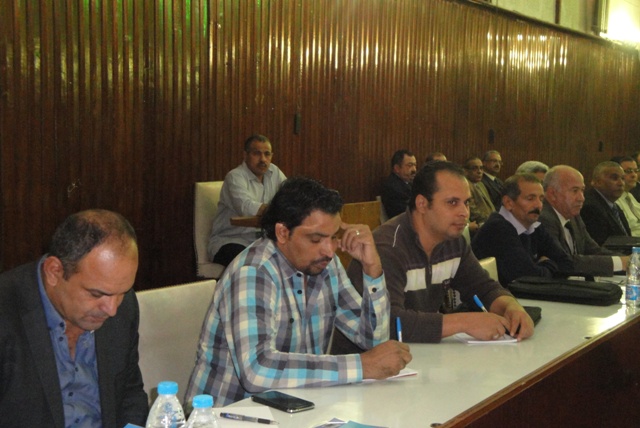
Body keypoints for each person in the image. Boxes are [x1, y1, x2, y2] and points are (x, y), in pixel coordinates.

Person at [185, 177, 412, 407]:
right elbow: (257, 371)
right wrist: (362, 365)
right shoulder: (253, 273)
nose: (329, 251)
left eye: (334, 237)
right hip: (226, 414)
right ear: (283, 233)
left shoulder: (325, 265)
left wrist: (372, 270)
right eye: (316, 239)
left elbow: (372, 340)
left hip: (294, 409)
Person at [340, 162, 534, 345]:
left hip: (422, 354)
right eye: (452, 202)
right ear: (422, 204)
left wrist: (511, 307)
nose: (464, 212)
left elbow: (484, 288)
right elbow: (388, 323)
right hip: (368, 360)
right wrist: (464, 322)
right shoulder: (387, 247)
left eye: (466, 202)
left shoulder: (453, 241)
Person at [0, 209, 148, 427]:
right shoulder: (6, 312)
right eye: (96, 294)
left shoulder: (124, 306)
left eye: (123, 292)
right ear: (54, 272)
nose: (112, 309)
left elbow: (129, 393)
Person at [472, 174, 574, 285]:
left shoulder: (534, 226)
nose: (538, 205)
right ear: (508, 203)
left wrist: (542, 266)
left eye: (541, 199)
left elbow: (567, 264)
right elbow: (528, 278)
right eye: (530, 198)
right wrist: (548, 264)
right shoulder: (498, 229)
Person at [207, 134, 287, 266]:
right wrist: (278, 210)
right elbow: (246, 207)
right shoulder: (235, 177)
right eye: (257, 153)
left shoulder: (275, 172)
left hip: (263, 242)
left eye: (267, 154)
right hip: (231, 241)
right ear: (245, 155)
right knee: (254, 261)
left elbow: (290, 197)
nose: (263, 159)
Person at [540, 165, 627, 277]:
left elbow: (593, 250)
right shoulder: (544, 219)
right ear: (552, 194)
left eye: (582, 190)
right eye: (575, 191)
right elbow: (563, 262)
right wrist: (620, 263)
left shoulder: (573, 215)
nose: (582, 198)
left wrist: (629, 259)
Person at [581, 161, 630, 246]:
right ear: (598, 182)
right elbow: (600, 245)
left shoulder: (613, 205)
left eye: (623, 178)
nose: (621, 183)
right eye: (614, 178)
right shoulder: (590, 207)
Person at [381, 149, 418, 218]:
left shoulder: (410, 183)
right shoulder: (393, 187)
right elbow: (406, 213)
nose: (414, 169)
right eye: (409, 165)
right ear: (397, 168)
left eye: (415, 165)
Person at [463, 156, 495, 234]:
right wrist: (492, 220)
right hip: (478, 226)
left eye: (481, 168)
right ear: (465, 171)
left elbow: (490, 205)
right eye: (475, 168)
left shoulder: (481, 184)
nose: (479, 171)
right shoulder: (465, 186)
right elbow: (473, 211)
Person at [614, 156, 640, 237]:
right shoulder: (614, 200)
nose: (634, 175)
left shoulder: (629, 196)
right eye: (628, 171)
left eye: (636, 171)